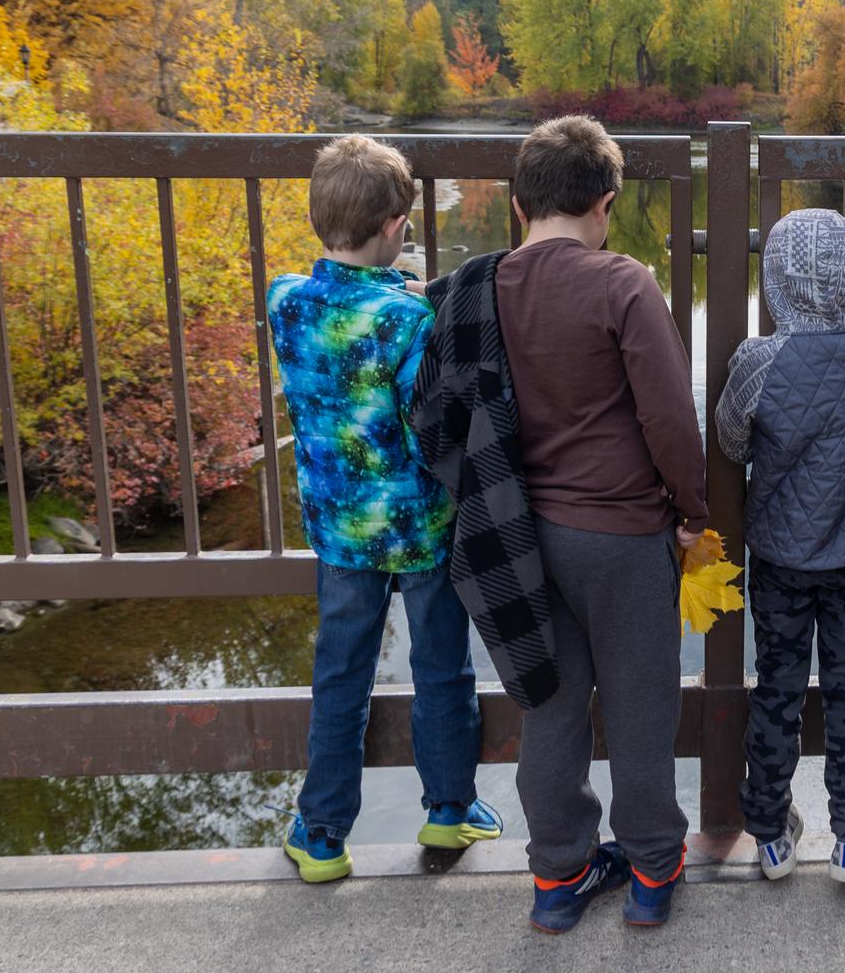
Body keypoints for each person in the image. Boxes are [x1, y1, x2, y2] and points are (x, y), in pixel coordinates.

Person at [493, 116, 708, 933]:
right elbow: (668, 418)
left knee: (549, 706)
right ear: (606, 205)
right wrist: (691, 513)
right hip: (622, 540)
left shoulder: (489, 288)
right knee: (641, 705)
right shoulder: (624, 285)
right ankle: (653, 869)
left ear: (519, 206)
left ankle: (559, 878)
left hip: (525, 539)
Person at [266, 134, 500, 884]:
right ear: (399, 227)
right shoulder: (408, 321)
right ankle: (450, 806)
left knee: (342, 671)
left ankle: (323, 832)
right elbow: (427, 416)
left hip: (339, 531)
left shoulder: (287, 304)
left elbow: (296, 289)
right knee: (441, 667)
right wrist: (413, 294)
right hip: (423, 526)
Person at [716, 208, 845, 886]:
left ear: (774, 281)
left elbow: (732, 441)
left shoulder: (758, 363)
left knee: (778, 694)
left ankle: (769, 835)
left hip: (781, 560)